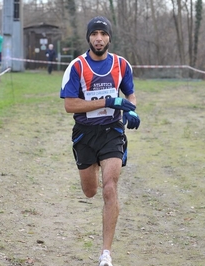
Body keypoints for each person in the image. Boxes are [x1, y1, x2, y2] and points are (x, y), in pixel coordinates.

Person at [60, 16, 140, 266]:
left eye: (103, 34)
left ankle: (106, 253)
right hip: (85, 134)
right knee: (90, 191)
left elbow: (130, 94)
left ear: (109, 38)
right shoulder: (76, 66)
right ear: (88, 37)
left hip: (112, 132)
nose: (99, 38)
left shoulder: (121, 64)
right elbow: (69, 105)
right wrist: (107, 101)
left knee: (109, 188)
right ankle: (92, 165)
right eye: (94, 34)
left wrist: (131, 110)